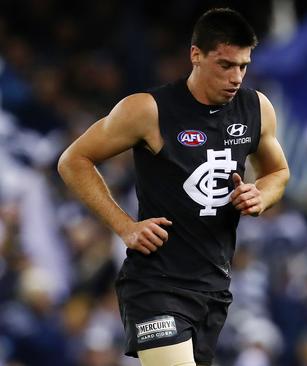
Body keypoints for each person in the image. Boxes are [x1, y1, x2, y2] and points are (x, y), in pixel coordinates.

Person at [58, 8, 289, 366]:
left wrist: (261, 194)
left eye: (243, 66)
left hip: (214, 287)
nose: (236, 78)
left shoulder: (256, 108)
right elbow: (73, 160)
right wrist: (124, 225)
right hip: (155, 283)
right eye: (225, 65)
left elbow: (279, 173)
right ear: (195, 54)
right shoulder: (148, 110)